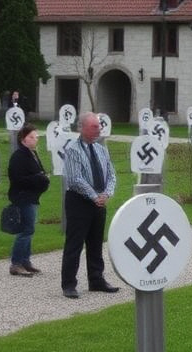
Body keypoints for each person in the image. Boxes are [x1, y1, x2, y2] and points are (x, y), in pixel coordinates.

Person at [61, 112, 118, 298]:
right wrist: (94, 196)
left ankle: (96, 279)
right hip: (79, 202)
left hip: (99, 202)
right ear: (82, 128)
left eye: (99, 126)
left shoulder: (102, 150)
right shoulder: (74, 150)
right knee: (74, 244)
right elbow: (75, 178)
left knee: (95, 243)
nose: (99, 129)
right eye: (94, 126)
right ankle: (69, 284)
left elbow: (111, 174)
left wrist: (106, 193)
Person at [7, 124, 50, 277]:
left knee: (29, 229)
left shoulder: (32, 153)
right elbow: (17, 179)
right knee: (26, 230)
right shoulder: (19, 156)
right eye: (31, 137)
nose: (35, 140)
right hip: (23, 197)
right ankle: (16, 263)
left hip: (32, 197)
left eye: (36, 137)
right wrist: (38, 179)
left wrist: (43, 178)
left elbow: (39, 171)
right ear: (23, 139)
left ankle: (25, 260)